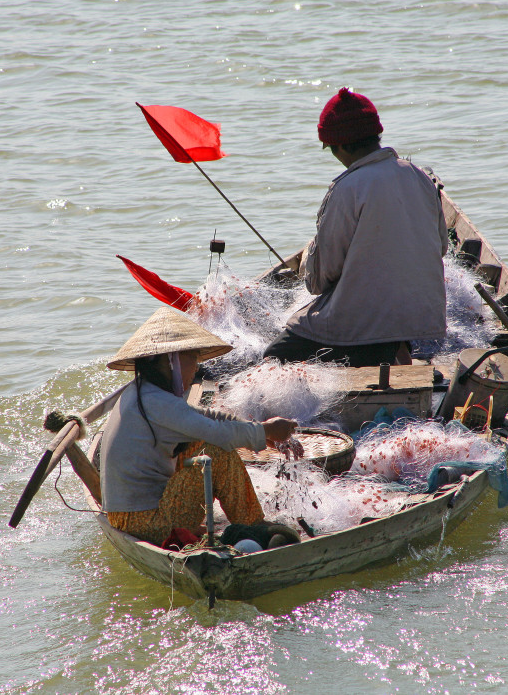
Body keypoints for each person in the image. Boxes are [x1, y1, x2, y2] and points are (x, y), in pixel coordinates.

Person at [263, 87, 449, 367]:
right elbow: (441, 247)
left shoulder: (346, 188)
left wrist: (310, 258)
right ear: (376, 136)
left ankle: (379, 351)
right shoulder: (420, 177)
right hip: (421, 322)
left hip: (364, 328)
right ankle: (395, 351)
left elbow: (319, 281)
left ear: (339, 146)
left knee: (274, 358)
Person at [98, 307, 301, 546]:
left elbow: (206, 418)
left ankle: (233, 521)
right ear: (171, 360)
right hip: (144, 522)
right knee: (218, 452)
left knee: (202, 441)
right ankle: (252, 523)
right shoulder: (157, 401)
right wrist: (266, 431)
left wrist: (258, 429)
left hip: (128, 516)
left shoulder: (144, 392)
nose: (197, 367)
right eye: (192, 358)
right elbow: (218, 435)